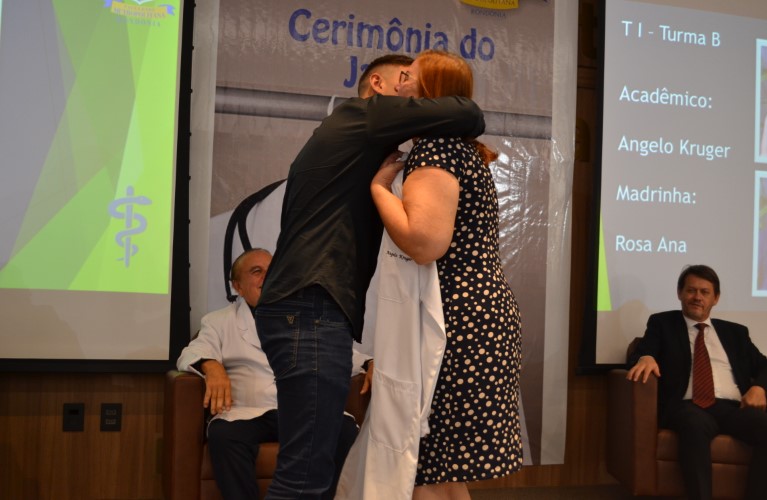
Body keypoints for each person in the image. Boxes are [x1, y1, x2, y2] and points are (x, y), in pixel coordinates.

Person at [254, 54, 486, 499]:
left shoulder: (356, 137)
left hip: (308, 305)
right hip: (309, 304)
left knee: (311, 466)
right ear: (377, 85)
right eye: (403, 80)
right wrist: (381, 187)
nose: (410, 93)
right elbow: (467, 112)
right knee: (305, 474)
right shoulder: (361, 115)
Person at [367, 50, 523, 500]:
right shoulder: (459, 149)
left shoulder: (435, 151)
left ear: (432, 90)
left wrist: (379, 188)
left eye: (409, 77)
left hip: (458, 322)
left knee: (426, 469)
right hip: (476, 317)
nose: (400, 84)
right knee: (442, 470)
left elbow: (424, 243)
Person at [177, 248, 372, 500]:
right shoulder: (219, 321)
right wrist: (211, 366)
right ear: (237, 286)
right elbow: (192, 352)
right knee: (223, 435)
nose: (267, 278)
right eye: (256, 271)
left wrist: (370, 363)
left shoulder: (304, 317)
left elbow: (336, 354)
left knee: (343, 429)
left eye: (272, 271)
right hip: (247, 412)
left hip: (299, 409)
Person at [627, 264, 767, 500]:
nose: (697, 297)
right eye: (691, 290)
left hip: (732, 408)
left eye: (705, 292)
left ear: (716, 298)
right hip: (687, 405)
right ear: (680, 293)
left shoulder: (735, 333)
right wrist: (646, 356)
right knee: (694, 424)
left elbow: (766, 366)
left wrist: (759, 387)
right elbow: (639, 354)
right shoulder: (662, 324)